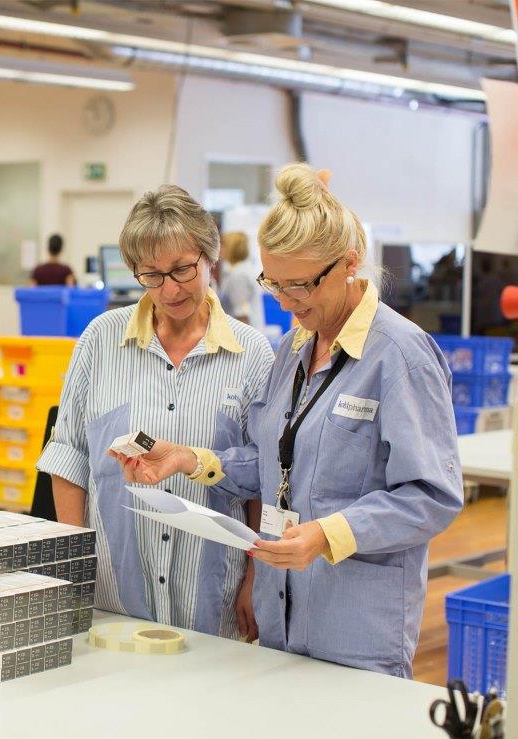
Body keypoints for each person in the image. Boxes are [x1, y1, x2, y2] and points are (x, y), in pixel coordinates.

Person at [110, 164, 463, 677]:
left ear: (350, 262)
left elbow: (433, 496)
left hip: (356, 627)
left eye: (300, 285)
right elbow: (270, 464)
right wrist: (192, 460)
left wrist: (327, 535)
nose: (287, 303)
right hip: (280, 622)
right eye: (273, 283)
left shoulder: (400, 356)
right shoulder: (294, 348)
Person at [37, 185, 274, 640]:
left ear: (210, 258)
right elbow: (69, 453)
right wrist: (73, 559)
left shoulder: (254, 355)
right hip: (113, 593)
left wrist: (254, 578)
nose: (170, 289)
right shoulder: (100, 341)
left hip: (211, 599)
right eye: (151, 275)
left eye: (183, 270)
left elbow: (263, 478)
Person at [218, 231, 265, 330]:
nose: (220, 249)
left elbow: (242, 312)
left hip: (242, 336)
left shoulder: (238, 274)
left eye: (224, 245)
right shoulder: (243, 270)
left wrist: (241, 341)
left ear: (232, 248)